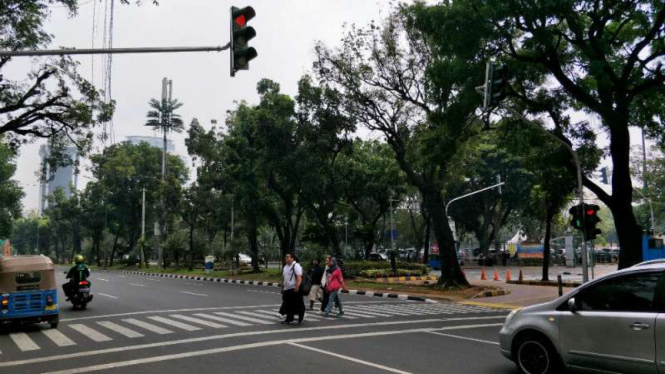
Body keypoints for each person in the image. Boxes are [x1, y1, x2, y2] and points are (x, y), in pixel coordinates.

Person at [279, 253, 305, 324]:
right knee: (288, 304)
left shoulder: (296, 265)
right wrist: (282, 287)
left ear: (292, 258)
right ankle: (289, 318)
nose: (286, 258)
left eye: (287, 257)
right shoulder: (285, 267)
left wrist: (297, 287)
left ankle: (301, 316)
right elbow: (284, 278)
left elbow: (299, 277)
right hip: (287, 289)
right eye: (285, 257)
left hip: (294, 288)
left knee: (297, 304)